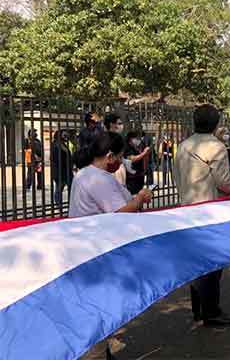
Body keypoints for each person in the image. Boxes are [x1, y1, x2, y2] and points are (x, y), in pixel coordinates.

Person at [68, 131, 153, 360]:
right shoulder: (100, 179)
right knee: (99, 305)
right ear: (109, 156)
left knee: (93, 303)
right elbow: (119, 213)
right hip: (97, 250)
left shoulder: (84, 174)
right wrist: (140, 199)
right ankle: (95, 353)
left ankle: (100, 351)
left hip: (85, 248)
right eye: (119, 156)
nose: (120, 162)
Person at [174, 104, 230, 327]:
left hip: (187, 210)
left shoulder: (183, 145)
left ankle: (199, 310)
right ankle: (212, 312)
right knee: (212, 263)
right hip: (209, 213)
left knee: (196, 262)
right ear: (216, 123)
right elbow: (224, 181)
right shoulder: (215, 146)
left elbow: (177, 176)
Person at [50, 130, 73, 206]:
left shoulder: (63, 144)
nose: (66, 136)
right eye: (64, 135)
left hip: (67, 171)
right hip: (59, 171)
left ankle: (71, 202)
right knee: (59, 188)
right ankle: (58, 204)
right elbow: (55, 158)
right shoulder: (55, 145)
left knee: (71, 187)